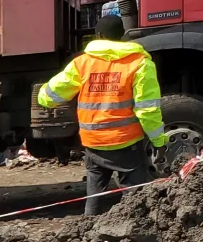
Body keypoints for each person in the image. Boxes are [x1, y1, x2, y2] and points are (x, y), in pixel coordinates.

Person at [38, 13, 170, 216]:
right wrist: (158, 142)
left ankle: (89, 228)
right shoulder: (141, 64)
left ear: (98, 35)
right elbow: (148, 110)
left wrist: (42, 96)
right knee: (136, 200)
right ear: (123, 35)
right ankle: (136, 228)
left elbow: (50, 96)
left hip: (93, 143)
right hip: (126, 143)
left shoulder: (82, 63)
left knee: (94, 196)